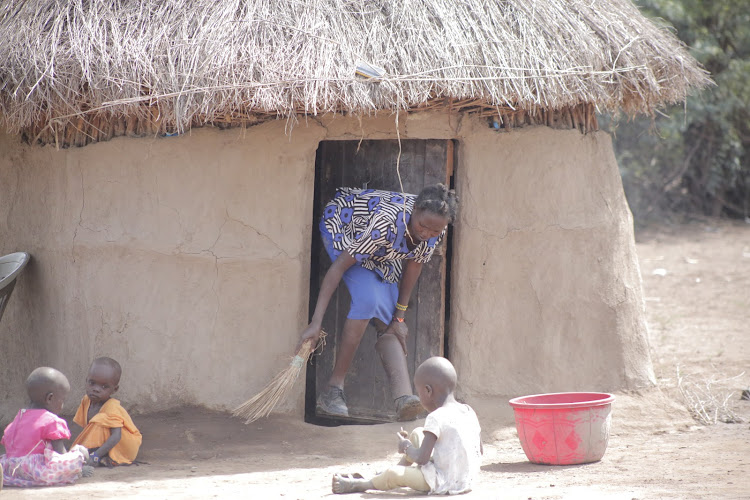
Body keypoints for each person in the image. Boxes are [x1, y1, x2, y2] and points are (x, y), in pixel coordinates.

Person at [298, 183, 458, 421]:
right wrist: (315, 322)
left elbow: (414, 265)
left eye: (434, 232)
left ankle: (404, 399)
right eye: (422, 226)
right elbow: (339, 267)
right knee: (368, 299)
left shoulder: (435, 227)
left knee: (389, 315)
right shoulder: (386, 222)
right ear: (414, 210)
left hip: (385, 248)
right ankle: (333, 390)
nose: (426, 234)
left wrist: (399, 316)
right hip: (344, 227)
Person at [332, 356, 482, 495]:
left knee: (394, 474)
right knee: (418, 433)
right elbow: (479, 450)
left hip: (443, 481)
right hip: (467, 478)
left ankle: (363, 484)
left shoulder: (436, 417)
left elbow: (422, 459)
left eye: (419, 392)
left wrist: (406, 446)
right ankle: (396, 470)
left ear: (428, 391)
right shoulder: (468, 410)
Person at [0, 367, 93, 487]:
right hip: (38, 473)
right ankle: (79, 470)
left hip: (11, 471)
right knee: (80, 451)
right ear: (50, 398)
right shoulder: (51, 420)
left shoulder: (18, 419)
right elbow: (61, 454)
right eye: (62, 400)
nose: (62, 405)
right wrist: (75, 468)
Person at [71, 357, 142, 466]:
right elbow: (88, 431)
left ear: (114, 389)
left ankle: (102, 456)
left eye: (104, 386)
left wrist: (95, 456)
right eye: (92, 383)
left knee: (100, 420)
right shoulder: (86, 400)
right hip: (110, 443)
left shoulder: (111, 407)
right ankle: (99, 455)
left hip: (125, 446)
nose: (96, 389)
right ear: (86, 380)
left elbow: (116, 436)